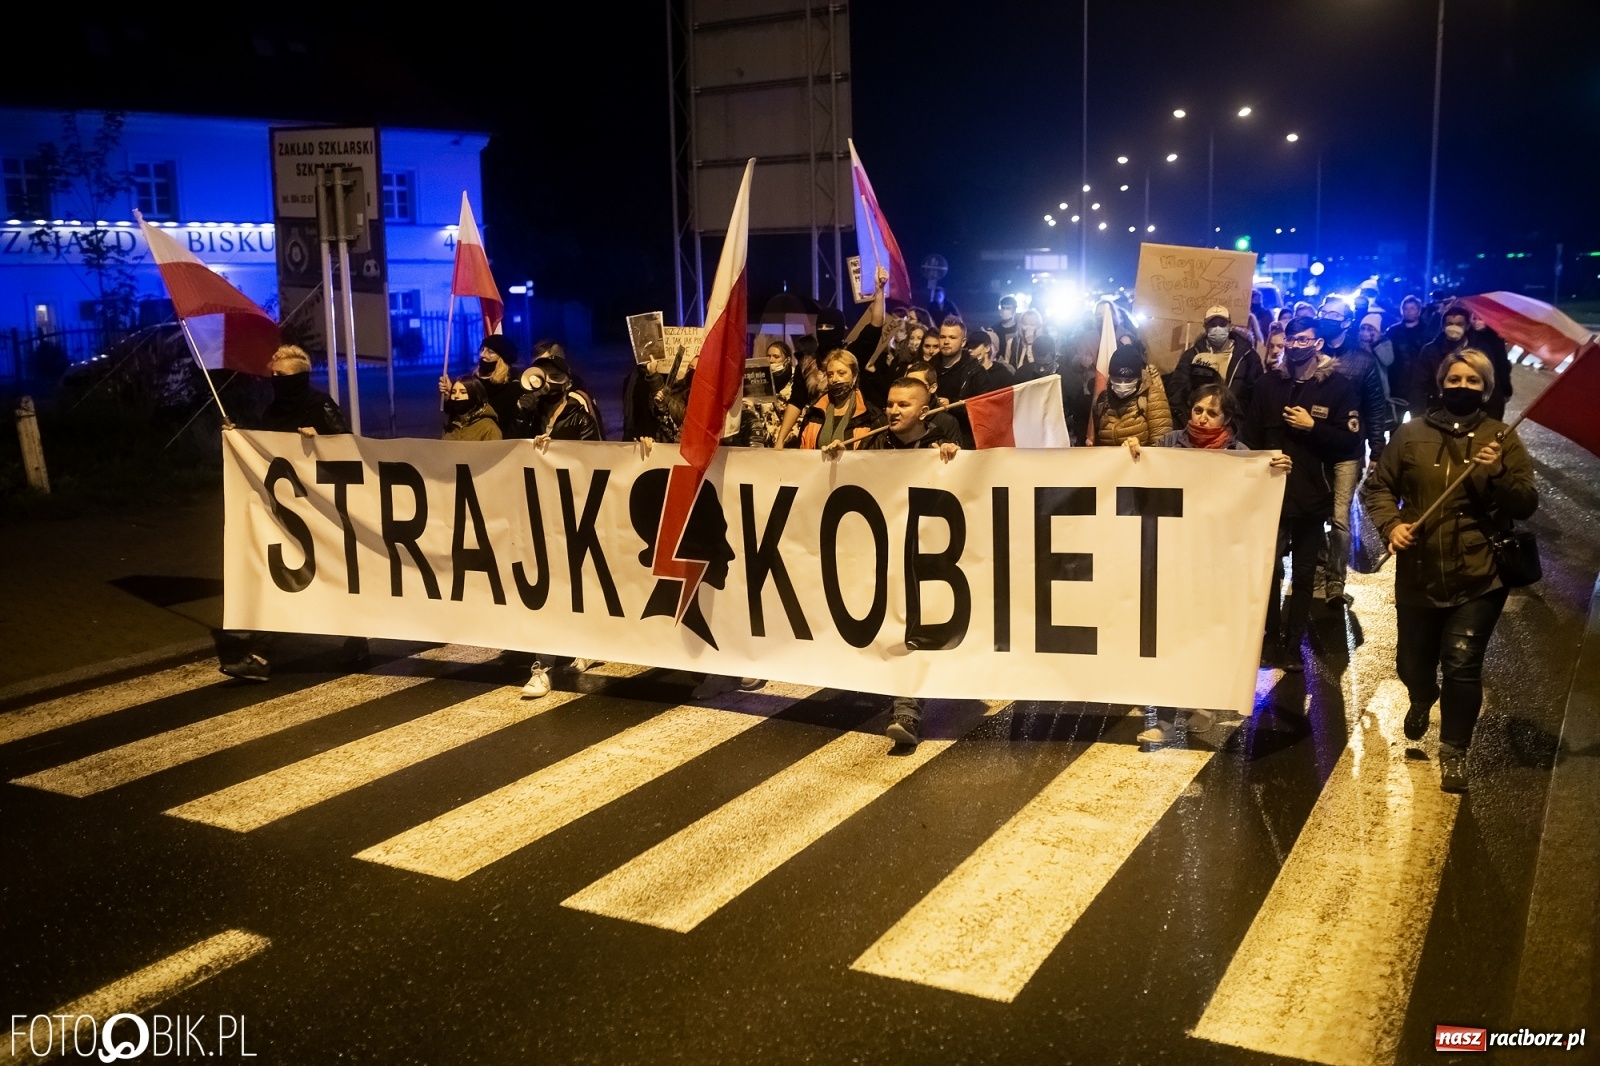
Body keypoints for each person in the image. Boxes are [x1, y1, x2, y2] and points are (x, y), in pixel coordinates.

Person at [1360, 349, 1537, 792]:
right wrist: (1392, 524)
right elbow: (1377, 486)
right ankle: (1422, 695)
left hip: (1480, 574)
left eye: (1473, 381)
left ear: (1486, 389)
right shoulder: (1412, 434)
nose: (1462, 387)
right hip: (1419, 571)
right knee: (1412, 663)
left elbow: (1525, 503)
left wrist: (1497, 472)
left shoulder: (1502, 438)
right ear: (1441, 384)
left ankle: (1455, 749)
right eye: (1454, 379)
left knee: (1461, 663)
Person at [1126, 383, 1291, 744]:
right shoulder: (1169, 445)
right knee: (1168, 638)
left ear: (1227, 418)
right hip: (1172, 559)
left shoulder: (1242, 455)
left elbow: (1253, 505)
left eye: (1211, 412)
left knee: (1207, 634)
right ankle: (1166, 721)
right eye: (1197, 410)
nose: (1202, 417)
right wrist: (1131, 452)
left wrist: (1273, 471)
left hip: (1217, 564)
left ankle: (1206, 703)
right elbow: (1138, 471)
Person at [218, 345, 365, 682]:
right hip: (287, 512)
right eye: (273, 376)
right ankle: (260, 655)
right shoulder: (273, 410)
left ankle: (357, 639)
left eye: (281, 376)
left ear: (298, 378)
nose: (275, 381)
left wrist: (322, 439)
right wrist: (238, 435)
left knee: (335, 576)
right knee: (278, 579)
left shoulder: (319, 405)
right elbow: (265, 448)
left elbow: (348, 447)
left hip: (323, 512)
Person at [1242, 316, 1363, 671]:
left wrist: (1314, 428)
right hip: (1271, 496)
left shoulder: (1338, 387)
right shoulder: (1269, 384)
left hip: (1312, 495)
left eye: (1304, 340)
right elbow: (1249, 437)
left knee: (1305, 574)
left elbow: (1351, 440)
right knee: (1269, 569)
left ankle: (1294, 645)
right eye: (1291, 340)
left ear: (1319, 344)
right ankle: (1270, 636)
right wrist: (1261, 462)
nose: (1296, 346)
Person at [865, 376, 960, 746]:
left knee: (917, 626)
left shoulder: (941, 445)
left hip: (928, 556)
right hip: (883, 549)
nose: (892, 410)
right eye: (890, 403)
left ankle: (907, 708)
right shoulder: (873, 442)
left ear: (923, 412)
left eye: (903, 405)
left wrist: (954, 460)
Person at [1314, 300, 1389, 607]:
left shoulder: (1363, 361)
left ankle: (1335, 579)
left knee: (1340, 516)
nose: (1327, 319)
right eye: (1324, 314)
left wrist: (1377, 450)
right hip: (1314, 448)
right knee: (1315, 512)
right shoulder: (1311, 355)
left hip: (1348, 451)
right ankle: (1319, 565)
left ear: (1347, 322)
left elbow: (1375, 408)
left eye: (1334, 315)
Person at [1168, 303, 1262, 414]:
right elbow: (1176, 391)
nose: (1218, 329)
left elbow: (1256, 396)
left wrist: (1236, 414)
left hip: (1234, 422)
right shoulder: (1191, 355)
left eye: (1222, 324)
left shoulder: (1248, 356)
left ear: (1230, 326)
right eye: (1213, 324)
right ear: (1205, 327)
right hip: (1200, 420)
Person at [796, 349, 881, 450]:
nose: (834, 379)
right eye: (830, 375)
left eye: (841, 373)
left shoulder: (871, 417)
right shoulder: (813, 413)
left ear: (854, 377)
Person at [1091, 344, 1173, 448]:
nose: (1122, 384)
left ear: (1139, 379)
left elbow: (1162, 446)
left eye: (1129, 381)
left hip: (1140, 462)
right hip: (1112, 463)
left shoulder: (1153, 397)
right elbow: (1098, 443)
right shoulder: (1103, 400)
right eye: (1117, 379)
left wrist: (1140, 449)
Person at [511, 355, 601, 443]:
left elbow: (589, 454)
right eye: (543, 377)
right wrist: (521, 415)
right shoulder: (531, 417)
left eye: (555, 377)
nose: (548, 382)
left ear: (568, 384)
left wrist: (554, 447)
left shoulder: (582, 420)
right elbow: (514, 446)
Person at [440, 334, 520, 431]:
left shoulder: (511, 384)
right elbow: (457, 413)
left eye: (490, 352)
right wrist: (451, 394)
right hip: (469, 437)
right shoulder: (471, 379)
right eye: (482, 350)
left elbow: (496, 414)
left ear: (502, 358)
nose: (482, 355)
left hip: (496, 438)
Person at [1405, 304, 1470, 417]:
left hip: (1467, 409)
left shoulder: (1476, 351)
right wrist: (1418, 416)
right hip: (1437, 408)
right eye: (1450, 324)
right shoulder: (1430, 350)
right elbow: (1418, 385)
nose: (1454, 327)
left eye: (1459, 324)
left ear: (1467, 326)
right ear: (1443, 326)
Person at [1465, 312, 1514, 419]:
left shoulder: (1495, 340)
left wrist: (1506, 389)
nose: (1476, 321)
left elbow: (1502, 366)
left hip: (1492, 393)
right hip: (1469, 391)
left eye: (1480, 318)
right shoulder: (1465, 337)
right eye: (1474, 318)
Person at [1385, 296, 1430, 407]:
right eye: (1406, 308)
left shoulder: (1427, 331)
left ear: (1419, 310)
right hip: (1396, 381)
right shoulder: (1393, 331)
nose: (1409, 311)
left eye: (1412, 308)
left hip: (1419, 382)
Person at [442, 376, 502, 441]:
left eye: (463, 392)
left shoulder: (488, 427)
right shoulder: (451, 425)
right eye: (453, 392)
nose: (456, 396)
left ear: (474, 396)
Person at [991, 295, 1021, 368]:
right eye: (1003, 308)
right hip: (999, 366)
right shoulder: (995, 329)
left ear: (1014, 309)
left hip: (1016, 364)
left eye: (1008, 308)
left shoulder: (1019, 328)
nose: (1005, 311)